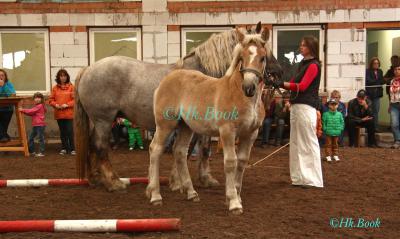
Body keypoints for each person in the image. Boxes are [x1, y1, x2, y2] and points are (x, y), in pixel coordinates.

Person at [265, 35, 323, 188]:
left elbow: (302, 86)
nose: (301, 47)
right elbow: (293, 82)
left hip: (306, 107)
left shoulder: (313, 65)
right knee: (296, 143)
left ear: (311, 47)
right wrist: (276, 82)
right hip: (297, 106)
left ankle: (313, 180)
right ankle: (298, 178)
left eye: (303, 45)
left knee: (307, 143)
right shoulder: (302, 64)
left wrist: (281, 84)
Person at [48, 69, 75, 155]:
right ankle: (64, 148)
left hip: (69, 114)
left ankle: (72, 149)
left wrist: (66, 105)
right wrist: (55, 105)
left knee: (70, 131)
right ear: (58, 77)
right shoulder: (54, 88)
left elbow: (75, 100)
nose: (63, 77)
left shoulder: (72, 87)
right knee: (62, 132)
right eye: (61, 76)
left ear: (67, 77)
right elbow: (51, 100)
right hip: (59, 113)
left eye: (64, 76)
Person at [19, 92, 47, 157]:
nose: (37, 99)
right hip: (35, 125)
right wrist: (23, 111)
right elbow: (31, 113)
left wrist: (22, 110)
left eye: (39, 98)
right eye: (35, 98)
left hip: (40, 125)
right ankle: (32, 151)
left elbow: (31, 111)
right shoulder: (37, 106)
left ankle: (41, 152)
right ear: (34, 99)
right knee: (30, 138)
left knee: (41, 139)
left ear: (41, 99)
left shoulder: (40, 106)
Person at [365, 57, 384, 130]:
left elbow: (382, 81)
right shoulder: (367, 71)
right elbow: (369, 81)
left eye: (377, 63)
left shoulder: (380, 71)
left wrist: (378, 81)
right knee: (369, 111)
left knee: (376, 111)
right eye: (375, 63)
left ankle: (376, 127)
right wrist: (378, 81)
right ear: (371, 64)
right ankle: (368, 128)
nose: (376, 65)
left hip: (377, 94)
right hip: (369, 94)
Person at [0, 69, 16, 143]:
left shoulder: (8, 84)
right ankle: (5, 137)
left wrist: (4, 85)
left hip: (7, 109)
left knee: (4, 126)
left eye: (2, 75)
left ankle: (4, 137)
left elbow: (12, 95)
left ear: (5, 77)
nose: (0, 77)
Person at [388, 64, 400, 149]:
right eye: (395, 69)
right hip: (393, 104)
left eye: (399, 69)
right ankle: (397, 141)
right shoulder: (392, 81)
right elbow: (391, 93)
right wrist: (389, 104)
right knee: (394, 123)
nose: (397, 71)